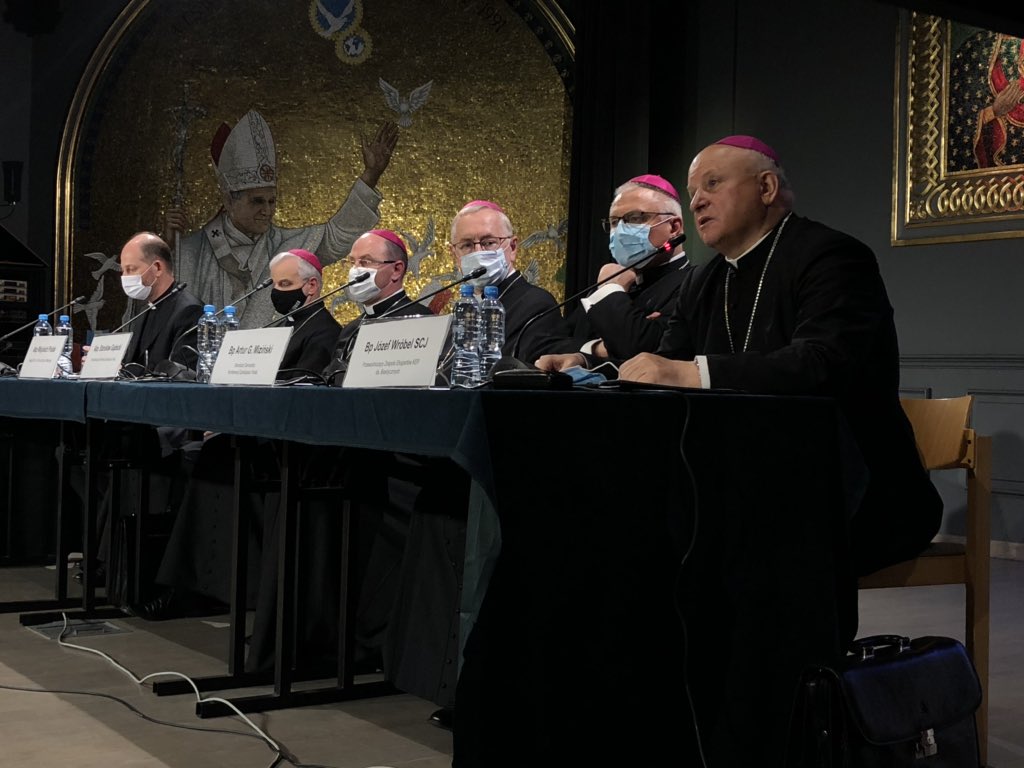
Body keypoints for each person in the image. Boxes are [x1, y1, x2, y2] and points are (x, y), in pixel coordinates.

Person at [549, 134, 942, 578]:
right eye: (693, 192)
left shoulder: (831, 256)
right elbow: (663, 363)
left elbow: (822, 364)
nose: (697, 202)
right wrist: (589, 367)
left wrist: (693, 372)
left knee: (709, 545)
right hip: (742, 482)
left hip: (851, 486)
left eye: (712, 184)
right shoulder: (702, 282)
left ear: (767, 188)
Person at [165, 110, 399, 329]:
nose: (267, 210)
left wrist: (371, 175)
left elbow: (337, 236)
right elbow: (161, 306)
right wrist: (166, 249)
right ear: (229, 201)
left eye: (272, 201)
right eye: (257, 201)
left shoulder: (288, 245)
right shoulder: (191, 252)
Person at [545, 174, 689, 365]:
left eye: (635, 218)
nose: (620, 231)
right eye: (614, 222)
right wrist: (598, 348)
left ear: (673, 227)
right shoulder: (607, 287)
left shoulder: (692, 284)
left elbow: (644, 353)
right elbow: (550, 346)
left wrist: (610, 290)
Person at [448, 200, 568, 364]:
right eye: (467, 245)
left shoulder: (537, 304)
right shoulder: (463, 309)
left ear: (512, 247)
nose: (478, 252)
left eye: (489, 243)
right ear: (454, 254)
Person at [325, 228, 433, 381]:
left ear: (396, 270)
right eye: (352, 262)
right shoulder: (350, 329)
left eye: (366, 262)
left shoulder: (422, 321)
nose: (355, 270)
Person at [116, 232, 203, 372]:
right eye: (123, 271)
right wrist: (107, 363)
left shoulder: (190, 311)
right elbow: (135, 364)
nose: (125, 277)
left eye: (131, 269)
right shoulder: (146, 309)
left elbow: (181, 374)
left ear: (157, 268)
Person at [267, 248, 340, 381]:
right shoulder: (283, 324)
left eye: (285, 283)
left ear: (312, 286)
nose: (276, 291)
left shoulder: (326, 332)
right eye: (274, 284)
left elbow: (304, 387)